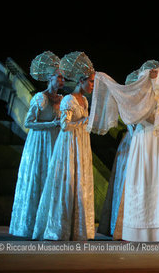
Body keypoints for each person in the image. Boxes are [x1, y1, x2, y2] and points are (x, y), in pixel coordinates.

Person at [87, 60, 159, 242]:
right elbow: (140, 118)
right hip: (147, 142)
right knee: (144, 181)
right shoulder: (143, 99)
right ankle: (139, 229)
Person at [33, 51, 96, 240]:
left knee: (80, 183)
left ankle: (78, 228)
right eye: (91, 81)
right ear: (81, 80)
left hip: (81, 144)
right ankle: (59, 228)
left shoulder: (84, 100)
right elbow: (64, 125)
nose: (93, 85)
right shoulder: (68, 99)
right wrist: (84, 122)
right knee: (67, 182)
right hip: (69, 145)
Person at [9, 51, 65, 238]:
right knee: (38, 178)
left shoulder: (62, 99)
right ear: (50, 79)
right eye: (58, 76)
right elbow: (28, 122)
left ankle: (51, 225)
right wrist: (50, 125)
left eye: (63, 77)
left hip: (56, 142)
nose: (61, 80)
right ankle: (33, 225)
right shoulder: (40, 98)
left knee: (53, 180)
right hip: (40, 143)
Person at [97, 70, 139, 237]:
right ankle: (121, 226)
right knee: (126, 182)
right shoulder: (128, 103)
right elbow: (132, 125)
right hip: (131, 144)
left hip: (142, 142)